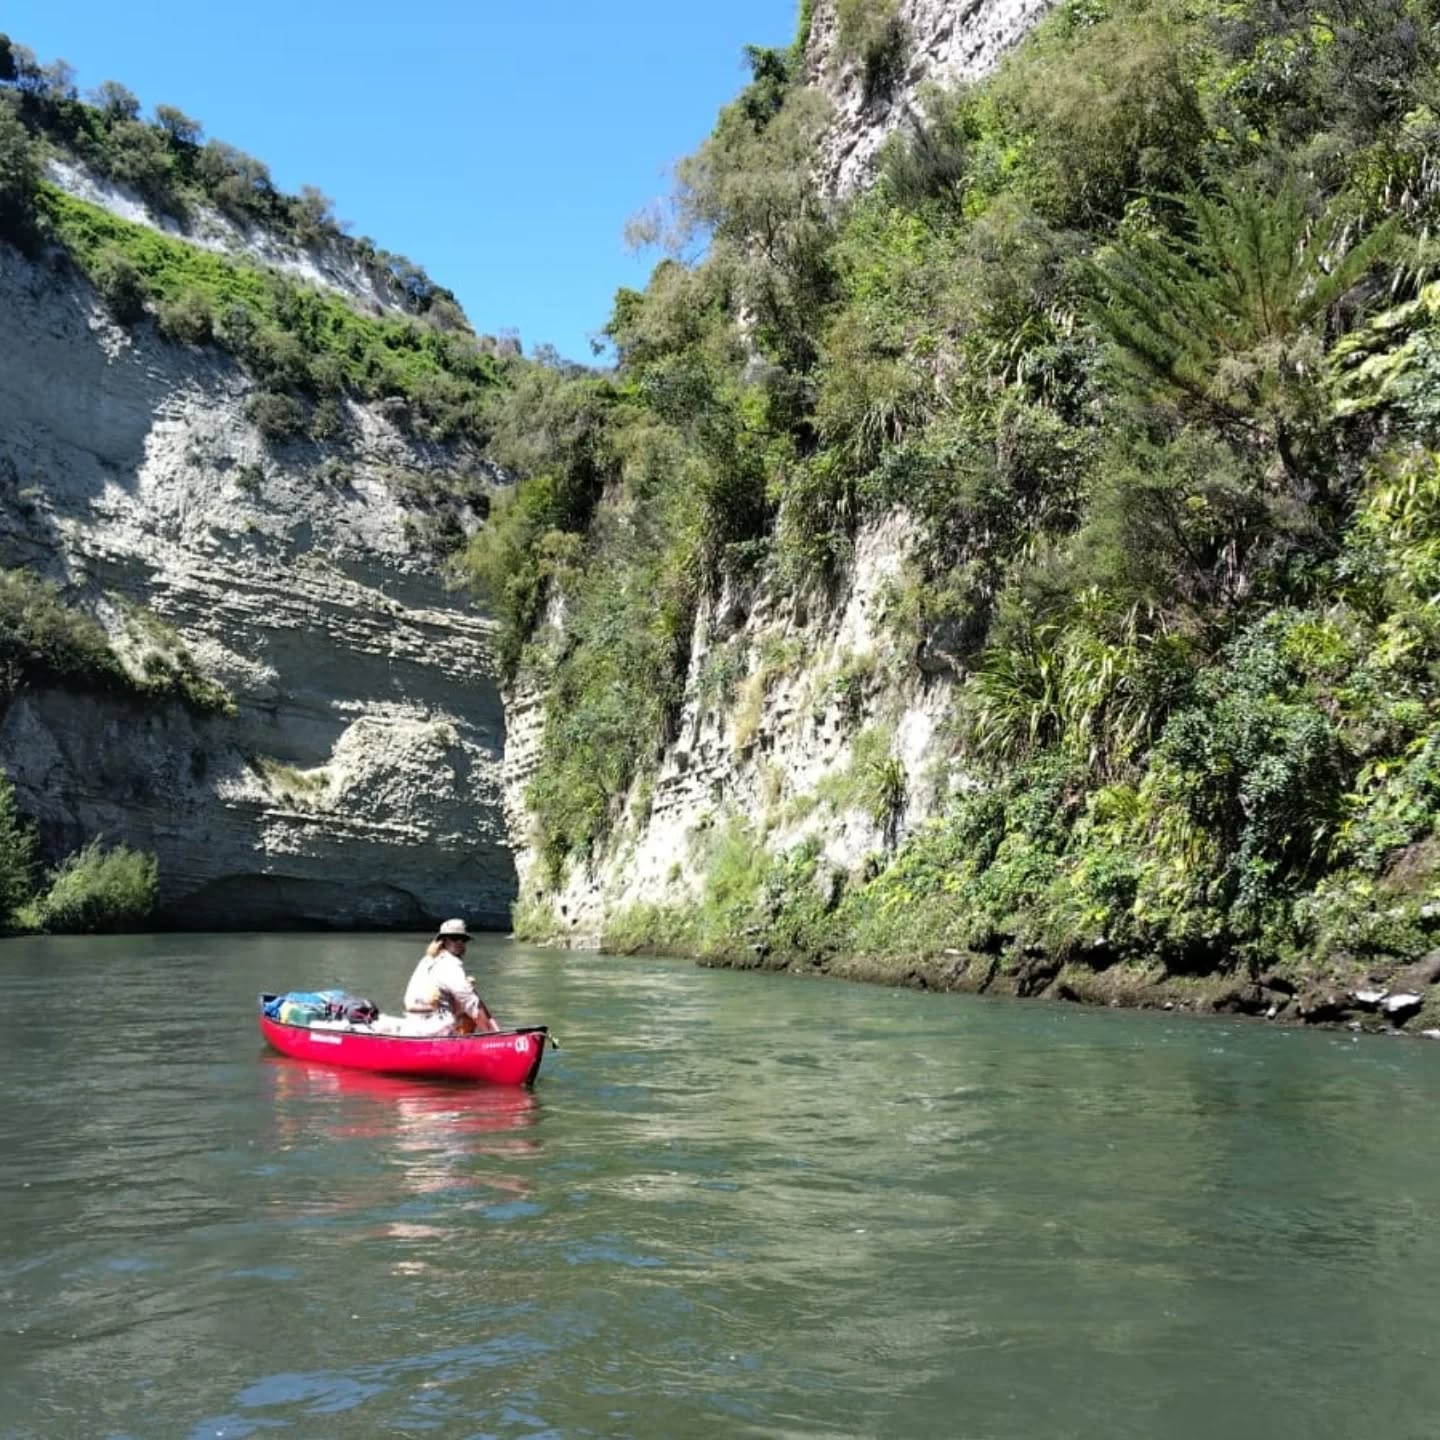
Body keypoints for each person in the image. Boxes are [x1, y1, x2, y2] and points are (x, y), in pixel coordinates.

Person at [402, 918, 500, 1035]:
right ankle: (493, 1038)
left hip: (413, 1026)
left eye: (463, 939)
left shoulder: (427, 960)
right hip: (434, 1030)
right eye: (454, 938)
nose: (459, 942)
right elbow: (470, 1001)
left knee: (468, 992)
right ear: (444, 941)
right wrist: (495, 1035)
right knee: (472, 1002)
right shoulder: (449, 964)